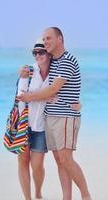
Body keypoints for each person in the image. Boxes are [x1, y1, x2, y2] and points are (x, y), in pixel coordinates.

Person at [20, 27, 91, 200]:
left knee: (66, 159)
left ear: (60, 39)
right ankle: (66, 197)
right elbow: (45, 81)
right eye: (44, 39)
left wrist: (29, 97)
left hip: (65, 117)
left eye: (49, 38)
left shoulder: (67, 60)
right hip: (50, 118)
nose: (46, 42)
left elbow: (53, 89)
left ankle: (86, 196)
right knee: (60, 161)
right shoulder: (54, 62)